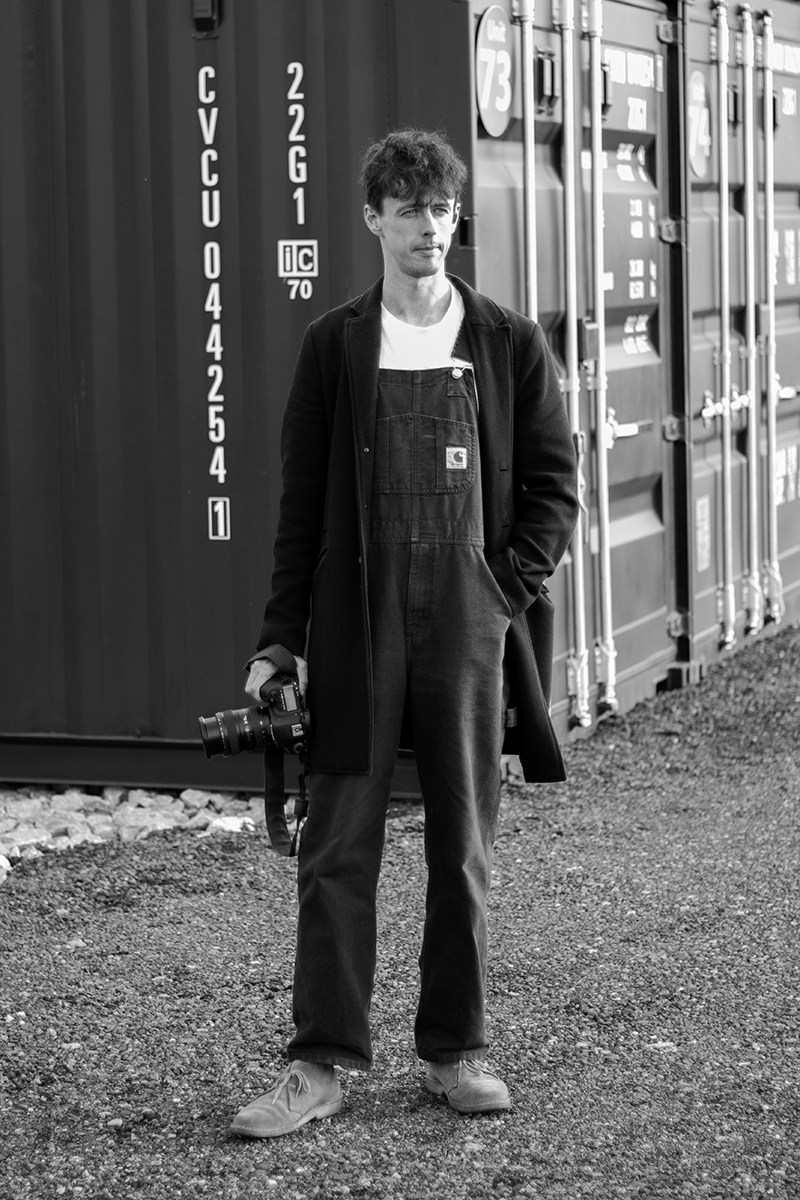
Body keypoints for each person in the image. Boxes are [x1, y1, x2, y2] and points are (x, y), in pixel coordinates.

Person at [229, 129, 578, 1138]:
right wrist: (278, 640)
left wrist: (497, 589)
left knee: (463, 843)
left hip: (465, 623)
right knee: (336, 843)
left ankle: (455, 1048)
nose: (426, 227)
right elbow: (300, 509)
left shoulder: (506, 342)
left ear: (453, 218)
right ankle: (321, 1062)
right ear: (372, 218)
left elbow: (553, 487)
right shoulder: (335, 345)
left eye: (440, 210)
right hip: (357, 622)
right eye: (406, 209)